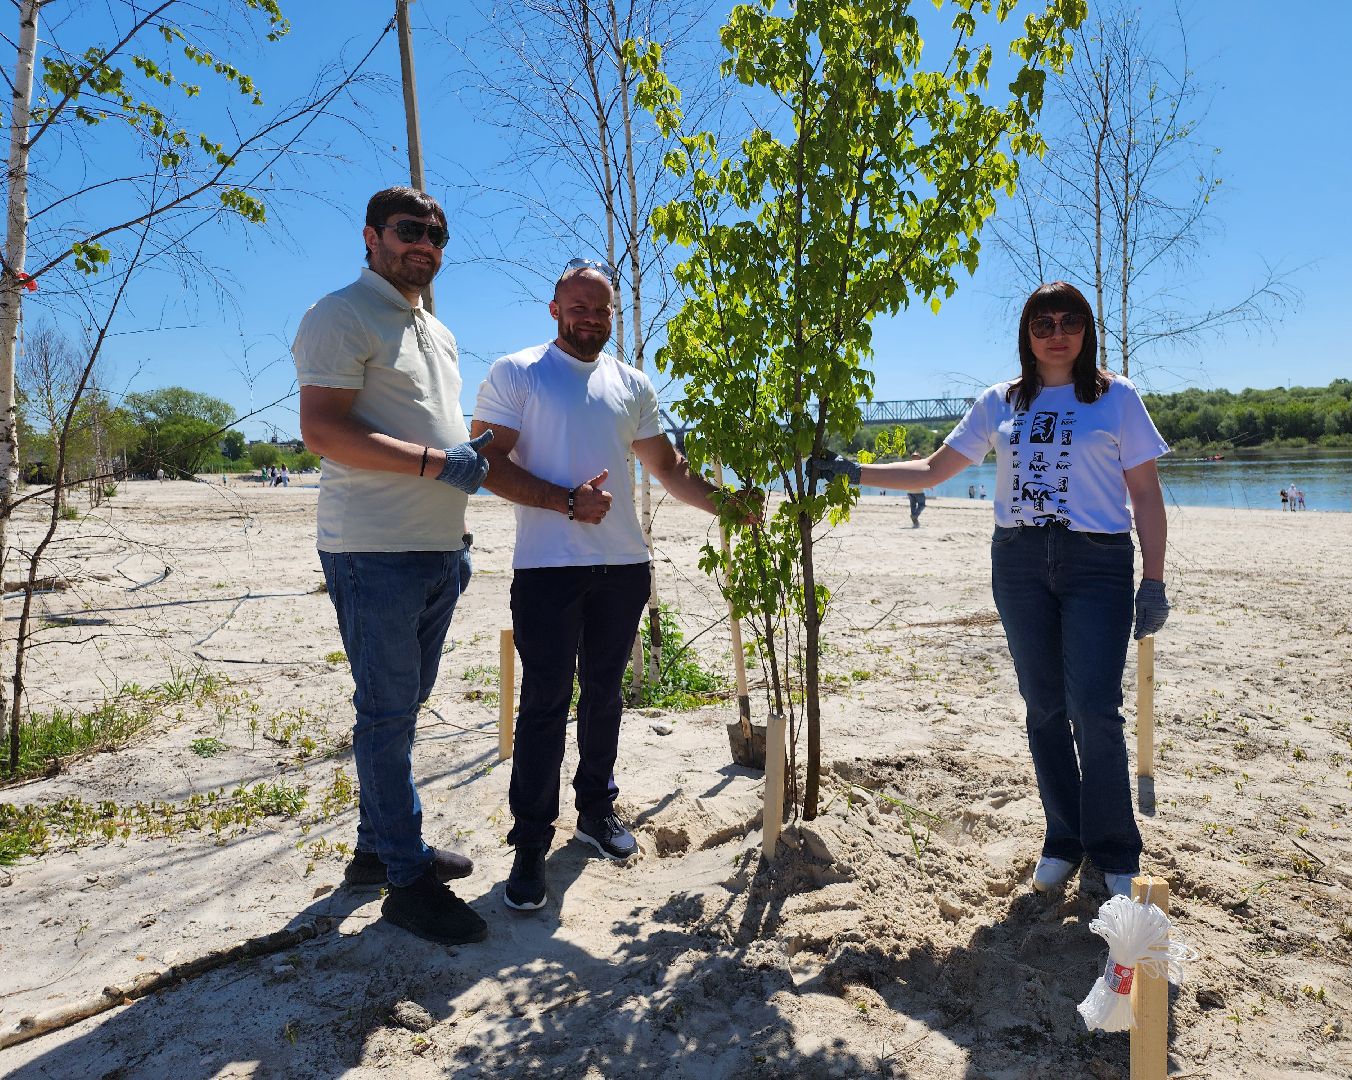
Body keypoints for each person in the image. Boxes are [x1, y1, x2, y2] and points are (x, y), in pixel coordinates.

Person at [812, 282, 1169, 899]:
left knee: (1094, 708)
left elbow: (1145, 494)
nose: (1056, 332)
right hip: (1020, 562)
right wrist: (850, 470)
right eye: (1042, 322)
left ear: (1087, 331)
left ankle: (1114, 851)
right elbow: (933, 470)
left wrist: (1154, 580)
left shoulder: (1116, 399)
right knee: (1045, 707)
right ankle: (1063, 838)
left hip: (1097, 562)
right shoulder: (999, 402)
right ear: (1026, 333)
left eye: (1070, 321)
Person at [472, 259, 758, 913]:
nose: (591, 319)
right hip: (546, 569)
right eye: (579, 306)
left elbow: (668, 467)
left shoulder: (632, 384)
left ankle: (595, 814)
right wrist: (565, 502)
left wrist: (728, 506)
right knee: (545, 704)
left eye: (601, 310)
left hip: (624, 568)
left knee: (605, 696)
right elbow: (485, 462)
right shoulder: (516, 372)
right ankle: (529, 845)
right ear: (554, 309)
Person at [293, 186, 494, 946]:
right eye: (410, 231)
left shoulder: (434, 330)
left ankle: (378, 852)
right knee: (384, 717)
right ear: (371, 235)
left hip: (440, 553)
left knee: (400, 716)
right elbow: (324, 431)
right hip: (373, 552)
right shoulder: (340, 313)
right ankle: (407, 886)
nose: (427, 246)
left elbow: (445, 438)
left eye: (439, 235)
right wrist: (440, 463)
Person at [907, 452, 927, 527]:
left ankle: (915, 523)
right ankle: (915, 516)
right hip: (918, 490)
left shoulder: (908, 466)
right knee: (922, 505)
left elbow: (903, 477)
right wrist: (929, 484)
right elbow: (924, 477)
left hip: (909, 490)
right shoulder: (921, 466)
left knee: (913, 506)